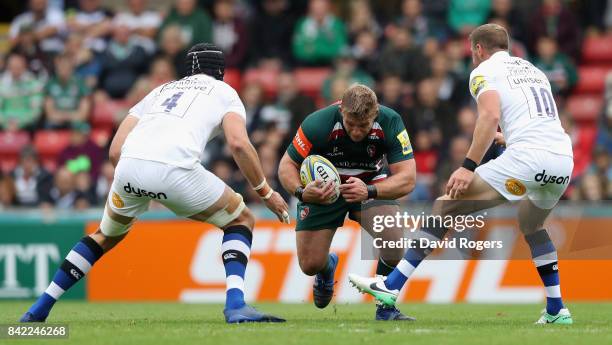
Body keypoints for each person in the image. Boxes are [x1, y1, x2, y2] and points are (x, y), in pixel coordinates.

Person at [20, 43, 289, 324]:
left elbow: (115, 150)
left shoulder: (160, 90)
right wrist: (266, 192)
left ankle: (39, 307)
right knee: (240, 219)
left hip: (129, 168)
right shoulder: (225, 92)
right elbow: (239, 144)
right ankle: (236, 305)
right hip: (175, 171)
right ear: (220, 71)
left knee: (103, 236)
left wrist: (142, 185)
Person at [349, 24, 575, 325]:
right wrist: (511, 137)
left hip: (528, 158)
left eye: (472, 52)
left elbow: (489, 115)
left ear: (478, 49)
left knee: (446, 205)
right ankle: (556, 308)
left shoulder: (484, 71)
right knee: (532, 224)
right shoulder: (534, 70)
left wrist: (468, 166)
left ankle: (391, 286)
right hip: (561, 158)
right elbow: (540, 116)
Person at [278, 84, 417, 321]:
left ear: (375, 114)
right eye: (350, 124)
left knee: (395, 246)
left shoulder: (391, 121)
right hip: (322, 189)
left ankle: (385, 307)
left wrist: (371, 190)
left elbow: (408, 178)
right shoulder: (318, 123)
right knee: (310, 264)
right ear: (341, 110)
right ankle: (326, 268)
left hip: (368, 184)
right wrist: (302, 192)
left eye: (362, 126)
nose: (355, 132)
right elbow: (286, 166)